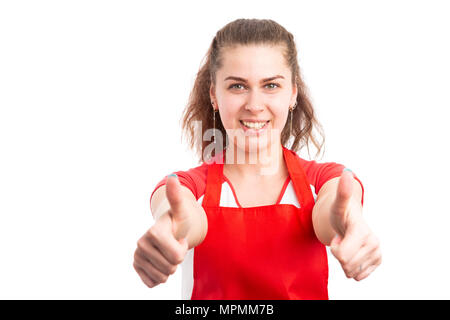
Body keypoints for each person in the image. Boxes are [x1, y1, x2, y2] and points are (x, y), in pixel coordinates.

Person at [133, 18, 382, 300]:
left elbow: (335, 207)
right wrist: (171, 228)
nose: (254, 104)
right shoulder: (188, 188)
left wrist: (348, 221)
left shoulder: (324, 181)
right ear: (214, 94)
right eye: (238, 86)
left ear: (293, 93)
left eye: (271, 85)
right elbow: (181, 213)